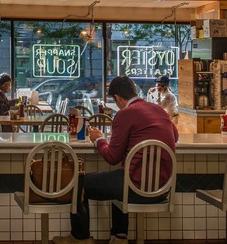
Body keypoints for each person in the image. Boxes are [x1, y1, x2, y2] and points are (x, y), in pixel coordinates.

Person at [53, 76, 178, 244]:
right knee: (119, 177)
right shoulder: (159, 111)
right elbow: (175, 136)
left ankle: (80, 238)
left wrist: (98, 139)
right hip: (163, 189)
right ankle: (119, 236)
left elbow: (112, 157)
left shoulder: (125, 113)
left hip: (134, 187)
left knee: (77, 183)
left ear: (118, 98)